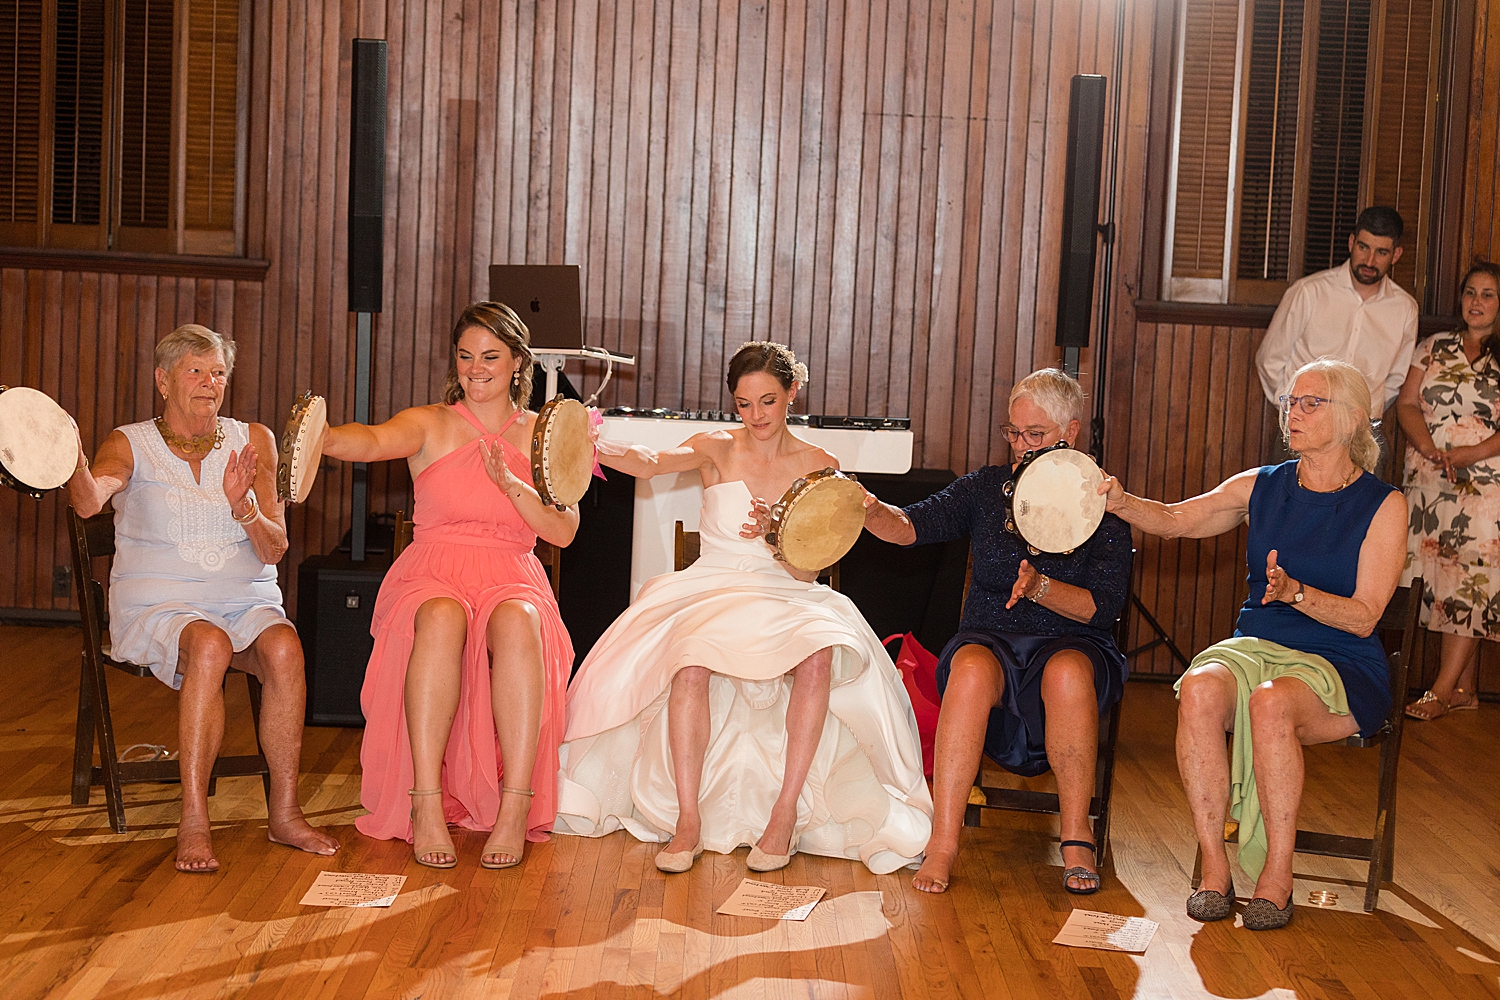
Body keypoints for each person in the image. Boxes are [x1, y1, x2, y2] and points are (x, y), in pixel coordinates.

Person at [553, 342, 932, 875]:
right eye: (744, 403)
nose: (755, 416)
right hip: (713, 584)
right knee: (689, 661)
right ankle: (687, 820)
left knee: (820, 654)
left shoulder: (820, 465)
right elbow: (652, 463)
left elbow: (809, 567)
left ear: (792, 394)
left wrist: (779, 537)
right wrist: (590, 442)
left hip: (786, 589)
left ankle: (783, 815)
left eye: (768, 401)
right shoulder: (715, 447)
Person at [1102, 357, 1406, 930]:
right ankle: (1214, 870)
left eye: (1311, 402)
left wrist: (1295, 594)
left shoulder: (1383, 504)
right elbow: (1174, 519)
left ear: (1352, 421)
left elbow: (1365, 618)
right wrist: (1121, 503)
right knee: (1197, 689)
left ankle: (1278, 877)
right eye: (1291, 401)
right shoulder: (1262, 485)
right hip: (1259, 645)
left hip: (1340, 660)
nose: (1294, 411)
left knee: (1270, 702)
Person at [65, 324, 340, 873]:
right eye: (196, 370)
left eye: (218, 372)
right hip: (160, 603)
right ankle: (194, 817)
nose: (210, 382)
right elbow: (91, 502)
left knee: (286, 649)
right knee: (210, 645)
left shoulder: (252, 439)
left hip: (243, 595)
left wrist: (243, 507)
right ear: (162, 380)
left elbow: (275, 548)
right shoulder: (129, 442)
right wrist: (66, 454)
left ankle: (284, 813)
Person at [320, 301, 576, 869]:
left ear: (516, 363)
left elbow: (563, 530)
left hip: (511, 569)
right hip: (434, 566)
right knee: (439, 615)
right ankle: (426, 802)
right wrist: (323, 437)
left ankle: (515, 807)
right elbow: (370, 440)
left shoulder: (541, 434)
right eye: (465, 356)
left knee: (520, 619)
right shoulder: (429, 421)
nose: (475, 368)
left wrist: (512, 486)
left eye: (490, 357)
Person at [861, 369, 1132, 895]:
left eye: (1036, 435)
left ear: (1070, 433)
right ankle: (942, 840)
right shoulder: (987, 488)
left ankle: (1077, 836)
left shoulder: (1103, 502)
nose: (1021, 446)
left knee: (1069, 674)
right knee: (966, 670)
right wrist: (870, 509)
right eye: (1014, 433)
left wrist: (1040, 589)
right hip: (991, 637)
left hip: (1074, 640)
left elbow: (1103, 608)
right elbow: (911, 526)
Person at [1395, 261, 1500, 719]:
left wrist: (1466, 455)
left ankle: (1439, 691)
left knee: (1470, 582)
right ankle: (1465, 690)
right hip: (1429, 477)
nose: (1476, 302)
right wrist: (1429, 447)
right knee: (1436, 580)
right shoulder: (1433, 347)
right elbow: (1406, 403)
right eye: (1471, 292)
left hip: (1484, 483)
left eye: (1489, 294)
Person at [1256, 207, 1419, 464]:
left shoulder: (1405, 308)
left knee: (1364, 506)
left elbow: (1395, 379)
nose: (1369, 260)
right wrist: (1296, 409)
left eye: (1381, 252)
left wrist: (1364, 413)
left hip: (1362, 432)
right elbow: (1270, 360)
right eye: (1363, 247)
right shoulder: (1309, 292)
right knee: (1287, 504)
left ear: (1396, 255)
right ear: (1351, 242)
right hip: (1302, 427)